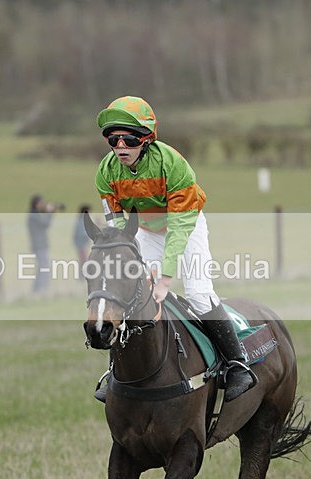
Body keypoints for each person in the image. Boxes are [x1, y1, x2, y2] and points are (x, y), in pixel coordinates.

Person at [93, 95, 256, 403]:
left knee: (197, 292)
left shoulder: (172, 163)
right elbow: (116, 226)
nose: (120, 147)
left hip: (187, 225)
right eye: (113, 140)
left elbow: (180, 227)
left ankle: (238, 365)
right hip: (147, 231)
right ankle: (114, 369)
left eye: (128, 139)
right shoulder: (106, 171)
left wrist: (165, 278)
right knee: (131, 293)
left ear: (146, 139)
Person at [27, 194, 63, 295]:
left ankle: (37, 290)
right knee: (44, 268)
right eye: (41, 203)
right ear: (36, 204)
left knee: (42, 267)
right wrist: (49, 212)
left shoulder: (34, 214)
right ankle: (41, 289)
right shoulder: (34, 215)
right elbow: (45, 224)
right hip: (39, 246)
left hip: (40, 245)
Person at [73, 204, 92, 269]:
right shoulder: (82, 221)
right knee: (84, 260)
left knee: (83, 260)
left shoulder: (81, 219)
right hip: (81, 244)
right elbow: (82, 234)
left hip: (82, 244)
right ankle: (82, 275)